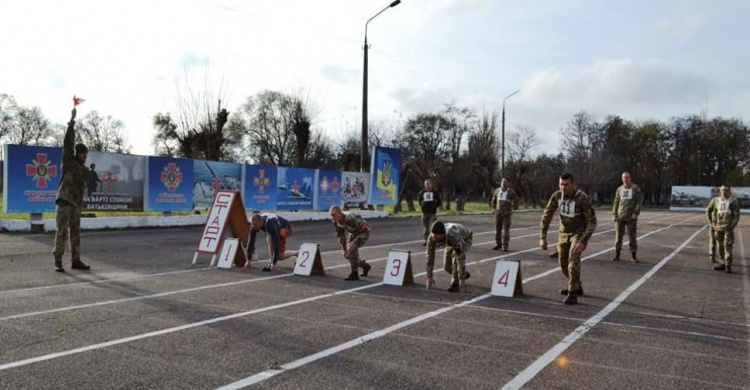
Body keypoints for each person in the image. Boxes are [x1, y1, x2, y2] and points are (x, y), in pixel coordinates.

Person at [540, 173, 597, 305]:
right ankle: (577, 286)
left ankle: (573, 293)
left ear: (573, 185)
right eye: (561, 184)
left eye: (566, 185)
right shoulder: (557, 196)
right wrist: (543, 237)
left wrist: (583, 241)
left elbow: (592, 222)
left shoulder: (582, 198)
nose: (563, 188)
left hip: (578, 233)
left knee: (573, 259)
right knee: (563, 264)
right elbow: (547, 215)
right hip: (563, 233)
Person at [53, 107, 91, 272]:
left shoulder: (84, 170)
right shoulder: (68, 160)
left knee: (76, 233)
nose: (84, 156)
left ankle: (76, 260)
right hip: (64, 200)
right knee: (62, 231)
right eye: (82, 153)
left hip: (75, 204)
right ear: (77, 153)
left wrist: (80, 206)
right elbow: (68, 142)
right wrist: (72, 121)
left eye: (86, 154)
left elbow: (81, 190)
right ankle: (58, 260)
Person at [425, 221, 473, 293]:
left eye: (437, 236)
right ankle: (464, 274)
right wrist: (429, 276)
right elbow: (430, 256)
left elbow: (460, 256)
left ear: (443, 234)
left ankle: (455, 283)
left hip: (465, 238)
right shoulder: (431, 238)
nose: (434, 237)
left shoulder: (453, 236)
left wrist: (462, 279)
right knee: (447, 266)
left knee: (455, 257)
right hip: (449, 242)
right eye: (433, 235)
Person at [329, 206, 372, 281]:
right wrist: (344, 250)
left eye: (334, 215)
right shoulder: (335, 222)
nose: (332, 217)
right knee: (349, 254)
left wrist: (355, 243)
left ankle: (354, 273)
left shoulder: (351, 218)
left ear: (340, 213)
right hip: (354, 232)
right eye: (331, 215)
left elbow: (366, 231)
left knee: (352, 249)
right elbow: (341, 236)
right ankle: (365, 266)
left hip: (363, 232)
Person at [706, 185, 741, 273]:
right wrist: (711, 223)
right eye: (722, 190)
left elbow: (736, 216)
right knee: (720, 246)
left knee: (727, 246)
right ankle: (722, 263)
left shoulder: (733, 201)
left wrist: (731, 227)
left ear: (729, 191)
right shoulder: (716, 200)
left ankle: (728, 265)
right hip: (718, 228)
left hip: (728, 228)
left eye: (726, 190)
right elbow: (708, 211)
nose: (724, 192)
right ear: (720, 191)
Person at [611, 171, 643, 262]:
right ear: (622, 179)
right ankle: (617, 255)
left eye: (627, 177)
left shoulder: (635, 188)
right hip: (620, 216)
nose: (625, 179)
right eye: (624, 177)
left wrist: (635, 213)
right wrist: (614, 214)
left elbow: (638, 202)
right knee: (618, 237)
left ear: (630, 178)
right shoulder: (619, 189)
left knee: (632, 237)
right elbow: (616, 202)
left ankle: (633, 256)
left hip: (631, 217)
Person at [490, 177, 520, 251]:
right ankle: (498, 244)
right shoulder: (497, 191)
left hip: (506, 214)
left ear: (508, 183)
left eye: (505, 182)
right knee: (497, 230)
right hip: (498, 213)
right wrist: (493, 208)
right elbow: (493, 200)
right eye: (502, 182)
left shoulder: (511, 192)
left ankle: (505, 245)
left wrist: (513, 208)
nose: (503, 183)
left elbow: (516, 201)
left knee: (506, 230)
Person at [417, 179, 442, 246]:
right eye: (426, 184)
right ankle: (427, 241)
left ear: (431, 184)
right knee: (426, 228)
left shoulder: (435, 193)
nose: (427, 185)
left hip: (432, 213)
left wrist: (434, 206)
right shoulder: (422, 193)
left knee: (432, 227)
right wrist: (423, 206)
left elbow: (439, 202)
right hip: (424, 213)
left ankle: (435, 241)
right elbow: (420, 202)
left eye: (428, 184)